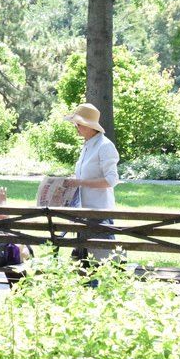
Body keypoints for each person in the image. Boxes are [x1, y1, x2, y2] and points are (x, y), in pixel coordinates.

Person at [61, 103, 120, 262]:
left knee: (102, 266)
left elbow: (111, 180)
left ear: (89, 125)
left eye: (78, 124)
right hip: (83, 213)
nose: (76, 127)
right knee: (84, 265)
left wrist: (81, 182)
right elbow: (84, 178)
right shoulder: (88, 145)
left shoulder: (105, 146)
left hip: (99, 214)